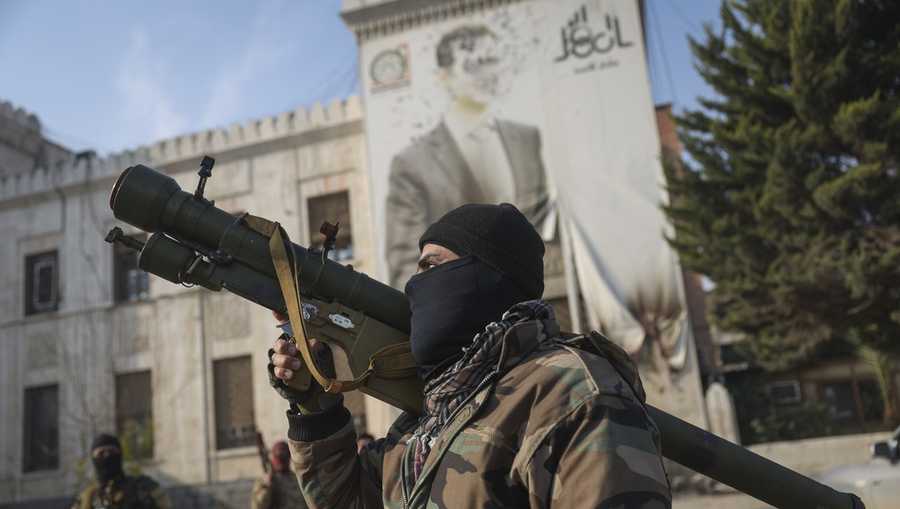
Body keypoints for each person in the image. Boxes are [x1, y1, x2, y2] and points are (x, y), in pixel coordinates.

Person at [268, 203, 671, 508]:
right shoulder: (432, 415)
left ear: (487, 277)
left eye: (432, 266)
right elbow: (347, 501)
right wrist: (316, 405)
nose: (415, 286)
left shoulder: (571, 394)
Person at [385, 24, 553, 288]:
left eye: (491, 61)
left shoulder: (526, 139)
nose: (487, 74)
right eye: (473, 64)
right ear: (444, 76)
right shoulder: (413, 163)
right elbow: (406, 268)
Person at [72, 434, 170, 509]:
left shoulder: (144, 487)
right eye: (101, 453)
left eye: (111, 451)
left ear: (119, 455)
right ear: (93, 459)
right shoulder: (86, 498)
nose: (107, 456)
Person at [251, 440, 307, 509]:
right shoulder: (264, 481)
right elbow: (258, 506)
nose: (281, 462)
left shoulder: (297, 479)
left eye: (284, 457)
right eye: (279, 457)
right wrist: (266, 487)